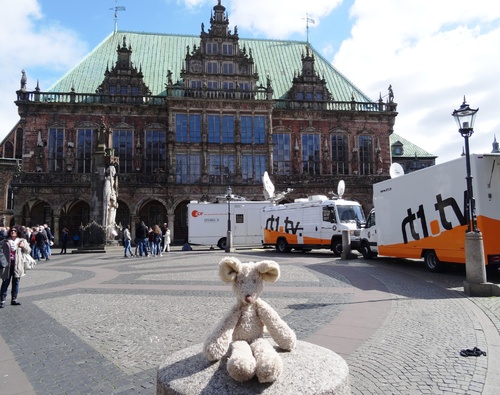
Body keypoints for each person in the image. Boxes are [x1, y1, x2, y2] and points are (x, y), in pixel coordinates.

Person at [1, 227, 31, 308]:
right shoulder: (5, 241)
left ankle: (14, 299)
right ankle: (2, 300)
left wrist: (23, 246)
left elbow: (28, 251)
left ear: (17, 232)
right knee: (5, 282)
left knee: (16, 282)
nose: (13, 232)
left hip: (17, 265)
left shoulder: (22, 241)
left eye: (14, 231)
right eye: (11, 231)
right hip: (7, 265)